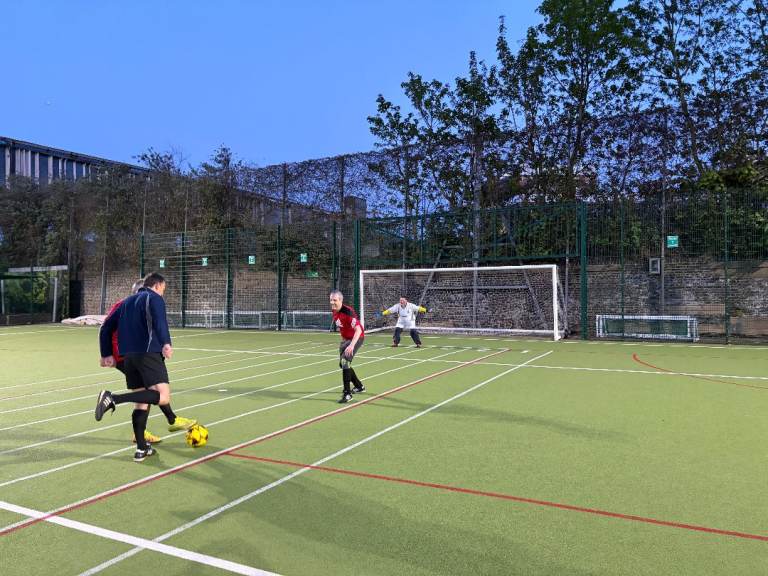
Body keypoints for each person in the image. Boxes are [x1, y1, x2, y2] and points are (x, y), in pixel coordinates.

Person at [96, 272, 195, 462]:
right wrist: (166, 342)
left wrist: (106, 353)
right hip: (148, 353)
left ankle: (141, 448)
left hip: (129, 357)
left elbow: (106, 327)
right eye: (163, 290)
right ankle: (113, 398)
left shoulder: (125, 302)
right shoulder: (153, 298)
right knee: (163, 396)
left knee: (141, 402)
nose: (162, 294)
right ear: (157, 286)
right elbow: (160, 321)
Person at [330, 290, 365, 404]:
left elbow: (358, 330)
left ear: (340, 300)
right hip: (346, 340)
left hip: (357, 338)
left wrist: (351, 345)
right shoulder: (334, 310)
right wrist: (345, 341)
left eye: (334, 300)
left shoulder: (348, 312)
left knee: (345, 362)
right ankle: (359, 386)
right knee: (343, 364)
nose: (332, 302)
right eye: (331, 300)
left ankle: (347, 393)